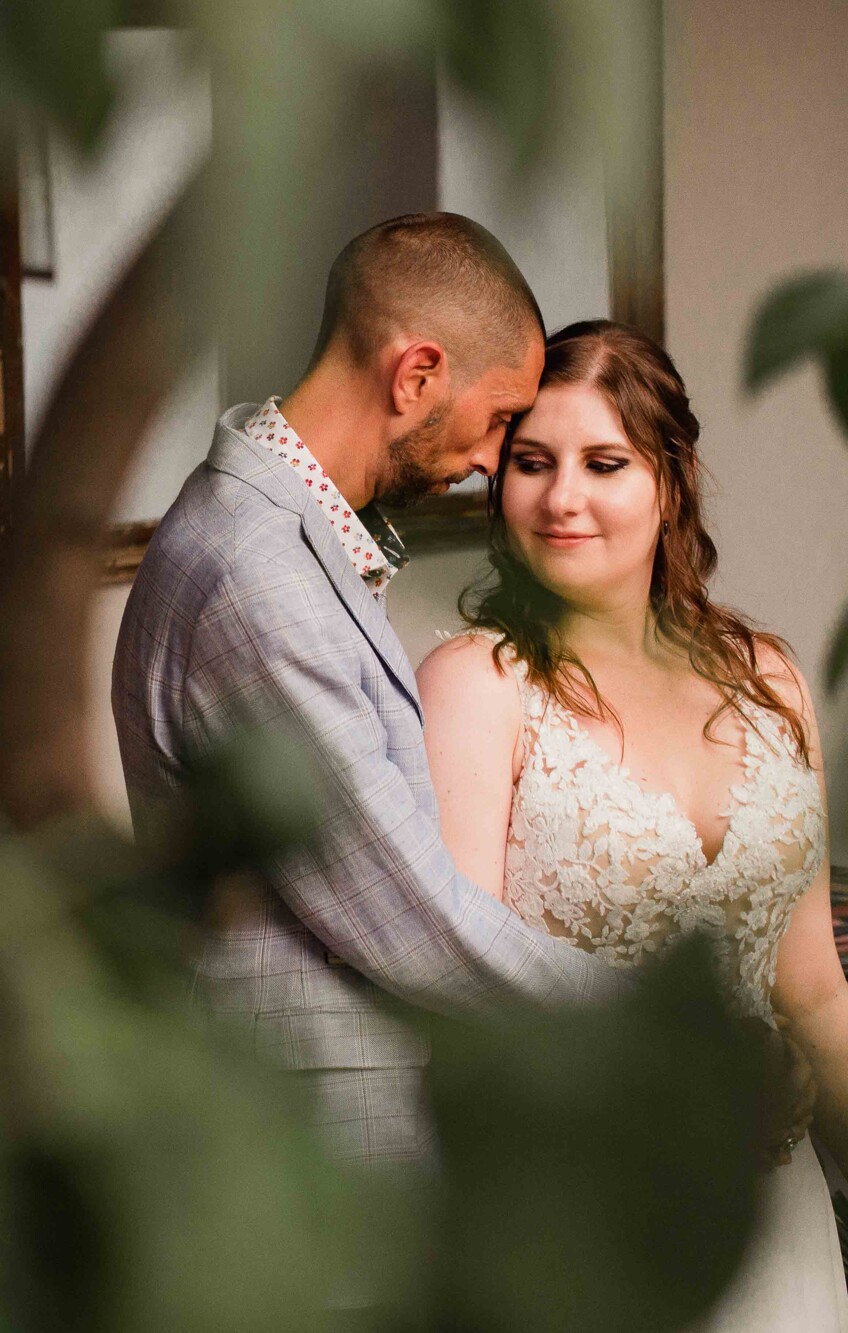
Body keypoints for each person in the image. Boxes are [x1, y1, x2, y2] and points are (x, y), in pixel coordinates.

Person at [112, 212, 624, 1170]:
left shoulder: (273, 536)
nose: (490, 458)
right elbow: (409, 915)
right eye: (502, 417)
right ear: (417, 373)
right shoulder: (255, 574)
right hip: (304, 1144)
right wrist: (650, 1020)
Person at [418, 319, 848, 1328]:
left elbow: (812, 988)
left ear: (669, 479)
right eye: (530, 462)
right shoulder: (476, 686)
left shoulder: (767, 677)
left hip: (771, 1225)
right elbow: (462, 1009)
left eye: (601, 462)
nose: (561, 496)